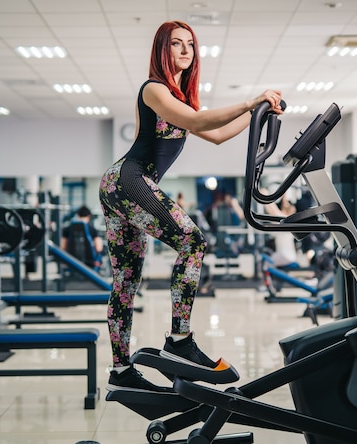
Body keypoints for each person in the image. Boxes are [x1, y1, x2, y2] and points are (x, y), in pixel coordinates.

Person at [99, 20, 284, 392]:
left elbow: (215, 134)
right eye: (175, 44)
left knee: (126, 280)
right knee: (193, 241)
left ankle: (120, 371)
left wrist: (259, 112)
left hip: (123, 186)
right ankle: (179, 340)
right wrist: (250, 100)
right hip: (127, 180)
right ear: (161, 51)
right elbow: (198, 121)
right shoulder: (154, 90)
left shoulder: (180, 100)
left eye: (190, 45)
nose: (185, 50)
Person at [60, 205, 104, 270]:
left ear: (77, 215)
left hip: (71, 263)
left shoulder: (67, 228)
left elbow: (63, 247)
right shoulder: (93, 229)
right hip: (90, 264)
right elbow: (98, 248)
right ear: (89, 216)